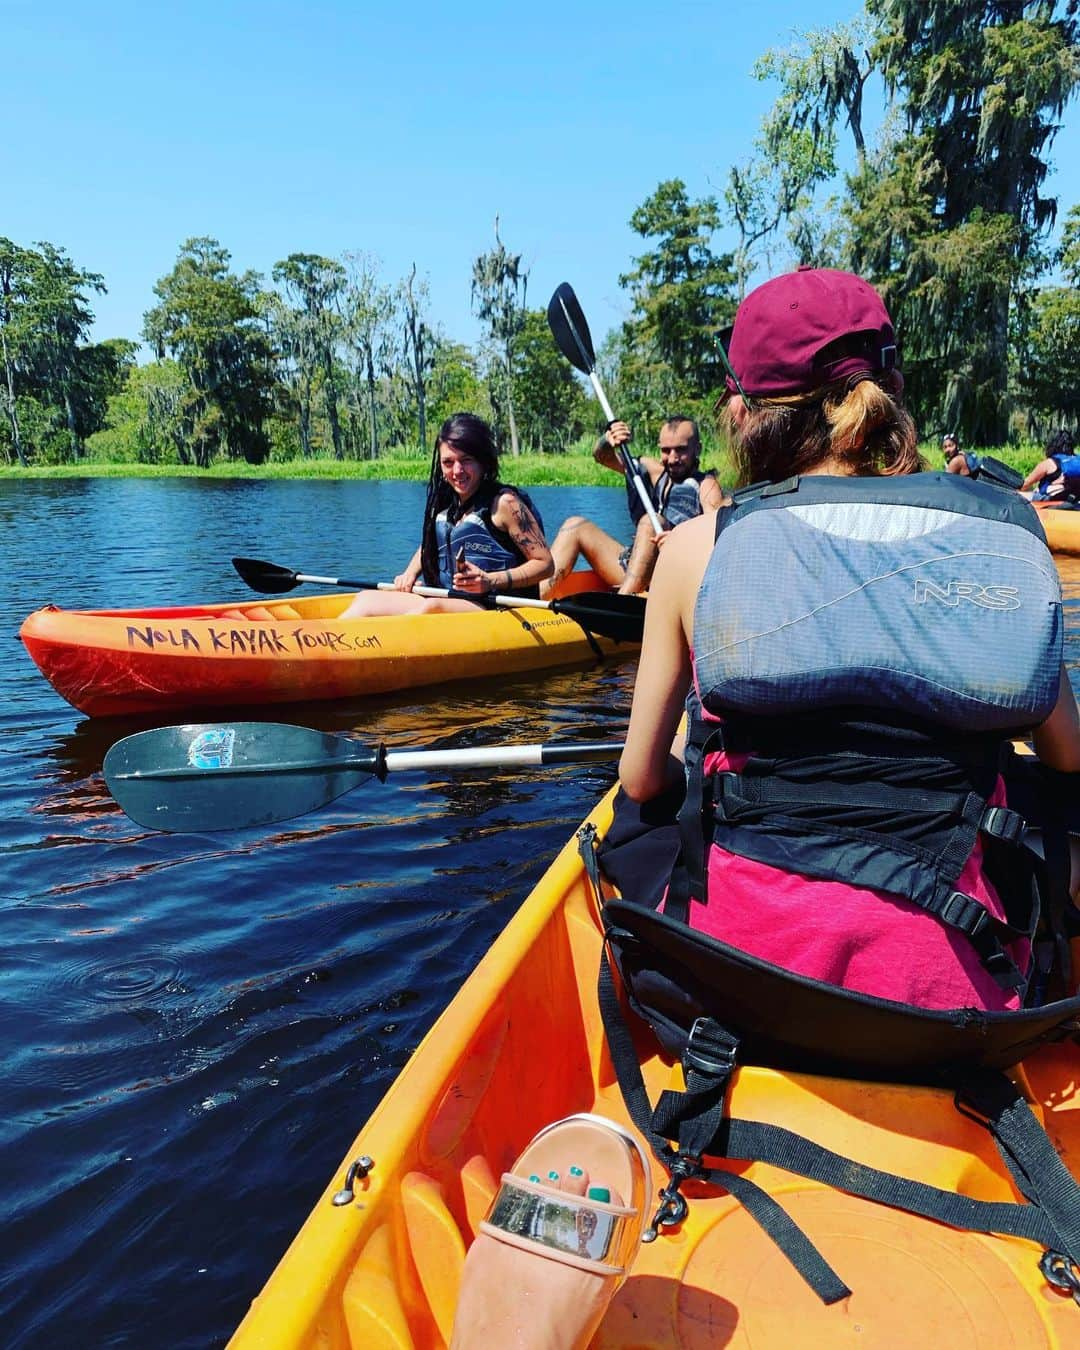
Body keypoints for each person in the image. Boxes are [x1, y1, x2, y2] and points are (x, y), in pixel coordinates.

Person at [619, 266, 1080, 1014]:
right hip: (954, 990)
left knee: (643, 812)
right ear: (892, 386)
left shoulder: (695, 548)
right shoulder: (994, 536)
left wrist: (691, 755)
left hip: (742, 980)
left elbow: (640, 779)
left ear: (745, 412)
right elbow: (1069, 755)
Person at [341, 413, 552, 617]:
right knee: (366, 599)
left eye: (466, 460)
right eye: (448, 462)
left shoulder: (505, 503)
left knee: (432, 608)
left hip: (496, 607)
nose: (457, 471)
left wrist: (490, 580)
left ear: (483, 461)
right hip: (451, 598)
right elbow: (433, 543)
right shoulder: (446, 502)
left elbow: (545, 564)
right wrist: (409, 574)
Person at [538, 416, 723, 599]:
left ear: (697, 448)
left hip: (674, 573)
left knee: (651, 521)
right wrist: (608, 440)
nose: (673, 458)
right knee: (576, 526)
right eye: (666, 450)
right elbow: (602, 457)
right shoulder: (654, 472)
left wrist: (678, 540)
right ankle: (536, 599)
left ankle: (621, 604)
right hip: (634, 565)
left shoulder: (707, 486)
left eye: (681, 450)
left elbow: (717, 538)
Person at [1021, 429, 1080, 508]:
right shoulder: (1077, 460)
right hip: (1075, 500)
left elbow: (1024, 485)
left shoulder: (1048, 464)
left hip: (1051, 500)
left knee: (1018, 494)